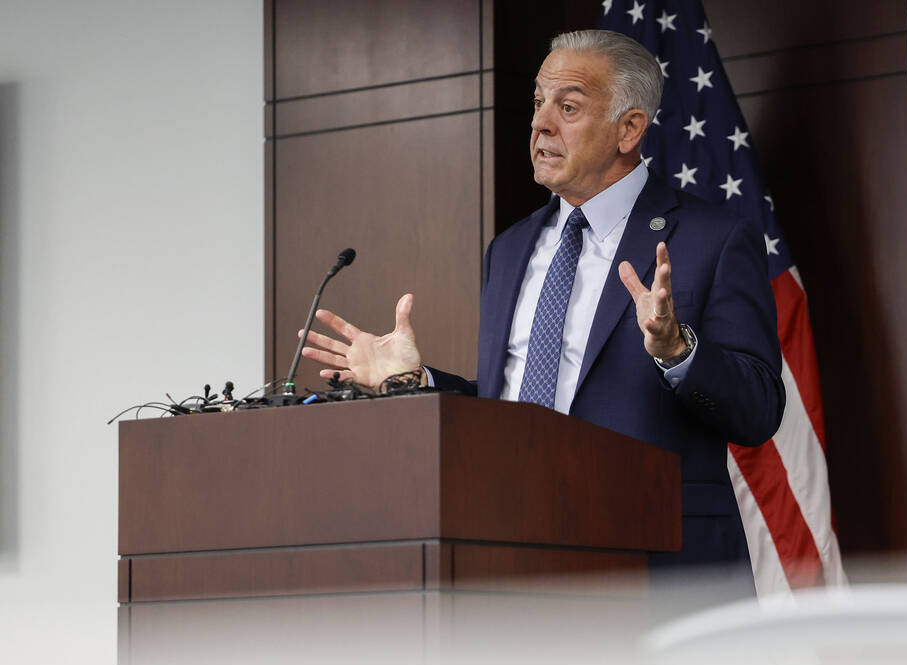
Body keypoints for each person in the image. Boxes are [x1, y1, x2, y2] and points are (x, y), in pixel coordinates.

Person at [301, 29, 783, 588]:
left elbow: (759, 409)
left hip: (659, 572)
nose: (540, 124)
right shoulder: (509, 250)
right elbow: (510, 409)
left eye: (568, 106)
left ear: (629, 129)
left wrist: (678, 351)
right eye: (537, 103)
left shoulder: (712, 238)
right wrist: (414, 380)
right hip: (516, 561)